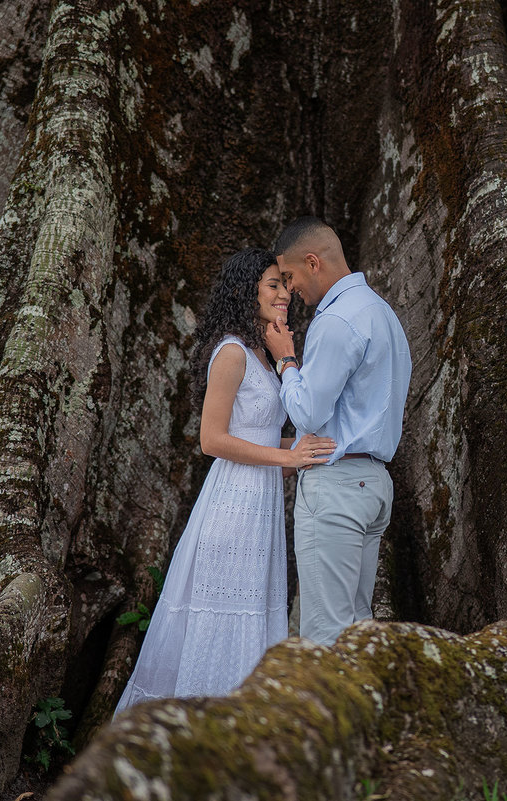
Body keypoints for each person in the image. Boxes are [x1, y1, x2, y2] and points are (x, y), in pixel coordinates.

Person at [114, 248, 335, 715]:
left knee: (253, 616)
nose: (284, 295)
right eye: (272, 285)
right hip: (232, 502)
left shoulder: (262, 350)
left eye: (284, 285)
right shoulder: (232, 352)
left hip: (263, 505)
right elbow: (211, 439)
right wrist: (287, 456)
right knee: (221, 613)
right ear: (246, 290)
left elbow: (273, 426)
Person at [263, 217, 411, 647]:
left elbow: (309, 412)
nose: (289, 291)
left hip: (337, 487)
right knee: (357, 631)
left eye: (289, 277)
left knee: (325, 635)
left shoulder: (337, 319)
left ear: (313, 262)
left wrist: (286, 360)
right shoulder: (382, 313)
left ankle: (324, 716)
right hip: (375, 485)